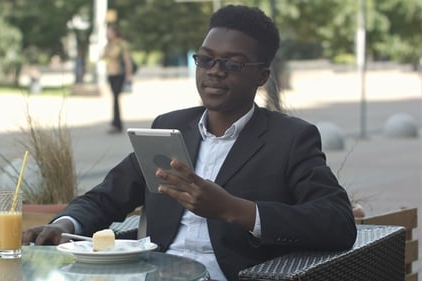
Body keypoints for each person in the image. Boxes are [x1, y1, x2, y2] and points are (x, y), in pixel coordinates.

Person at [23, 5, 357, 280]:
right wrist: (65, 225)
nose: (214, 71)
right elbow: (107, 197)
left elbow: (338, 222)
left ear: (261, 76)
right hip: (153, 272)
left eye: (232, 64)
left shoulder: (290, 139)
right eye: (206, 59)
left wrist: (233, 209)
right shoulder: (170, 128)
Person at [102, 24, 133, 134]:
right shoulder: (108, 45)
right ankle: (116, 124)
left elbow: (127, 60)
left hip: (120, 74)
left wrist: (129, 76)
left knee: (115, 98)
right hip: (111, 73)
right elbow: (103, 55)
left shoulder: (121, 44)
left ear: (114, 32)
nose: (107, 34)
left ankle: (116, 124)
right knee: (114, 98)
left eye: (109, 32)